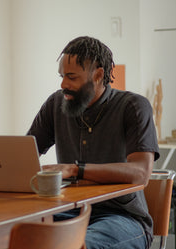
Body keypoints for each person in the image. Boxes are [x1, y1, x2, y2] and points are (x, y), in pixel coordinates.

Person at [27, 36, 159, 249]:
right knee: (13, 235)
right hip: (69, 209)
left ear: (98, 75)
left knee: (76, 245)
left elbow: (141, 172)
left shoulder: (133, 107)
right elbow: (25, 154)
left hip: (122, 216)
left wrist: (75, 169)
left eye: (71, 77)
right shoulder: (55, 104)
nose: (63, 84)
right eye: (61, 76)